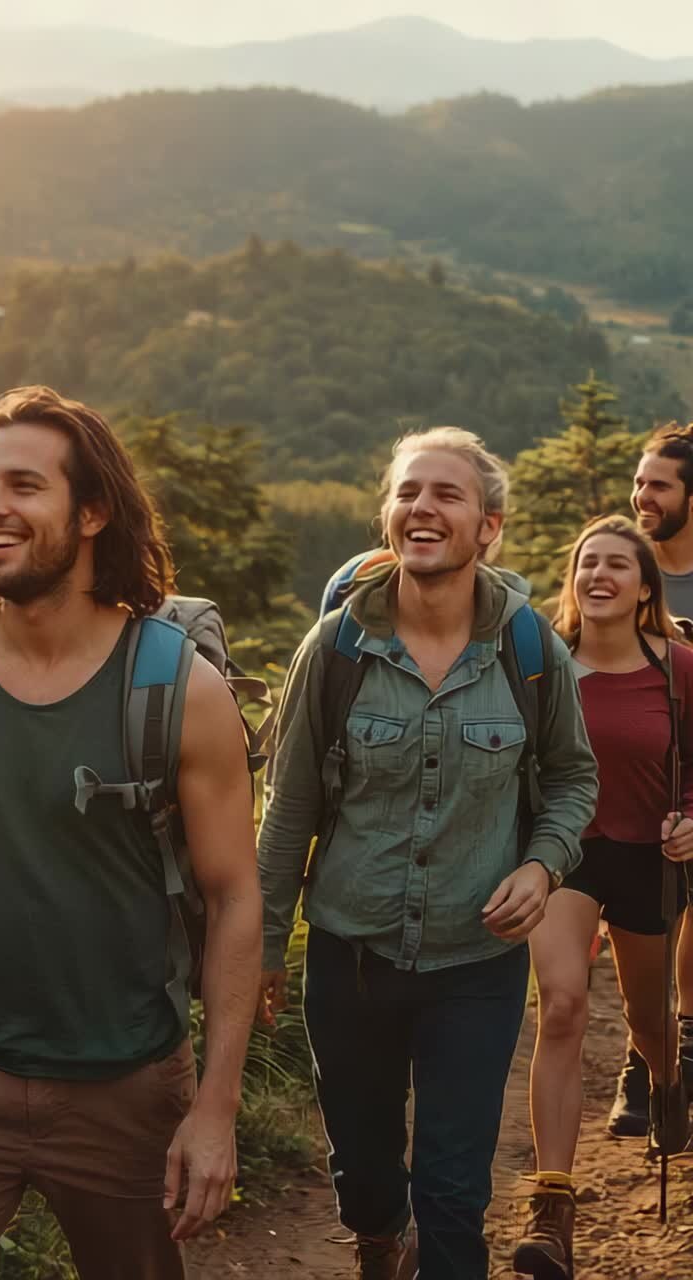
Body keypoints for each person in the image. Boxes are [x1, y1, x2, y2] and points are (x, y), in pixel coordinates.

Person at [257, 427, 597, 1280]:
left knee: (453, 1190)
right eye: (410, 492)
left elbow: (571, 780)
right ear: (388, 517)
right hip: (351, 955)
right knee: (365, 1176)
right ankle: (379, 1243)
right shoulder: (333, 650)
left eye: (448, 494)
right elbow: (288, 811)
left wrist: (541, 863)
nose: (424, 508)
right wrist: (258, 951)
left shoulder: (529, 652)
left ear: (490, 527)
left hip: (476, 964)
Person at [0, 387, 261, 1280]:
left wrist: (214, 1109)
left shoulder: (179, 690)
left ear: (91, 511)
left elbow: (234, 896)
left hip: (125, 1088)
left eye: (24, 485)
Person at [514, 516, 693, 1280]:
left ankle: (666, 1082)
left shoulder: (679, 667)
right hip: (566, 856)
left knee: (652, 1017)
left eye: (618, 564)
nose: (599, 575)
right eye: (588, 562)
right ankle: (551, 1207)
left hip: (648, 859)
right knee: (561, 1004)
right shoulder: (541, 667)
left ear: (645, 586)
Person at [609, 423, 693, 1137]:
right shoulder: (627, 567)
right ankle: (648, 1056)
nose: (642, 496)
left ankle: (680, 1045)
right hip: (642, 773)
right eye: (639, 483)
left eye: (658, 485)